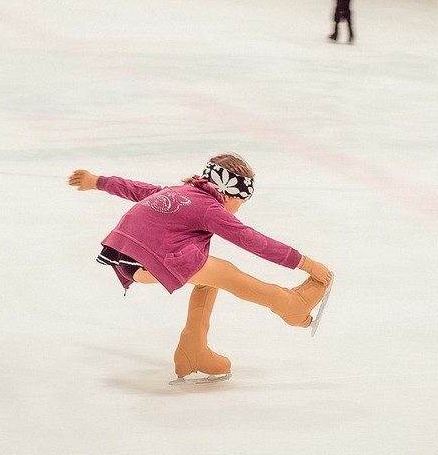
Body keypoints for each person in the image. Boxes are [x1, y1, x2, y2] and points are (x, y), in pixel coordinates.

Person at [67, 153, 333, 384]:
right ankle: (291, 305)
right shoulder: (209, 209)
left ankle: (193, 350)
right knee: (227, 273)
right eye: (241, 201)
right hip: (150, 258)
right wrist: (305, 262)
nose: (239, 209)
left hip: (128, 259)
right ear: (229, 192)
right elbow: (252, 241)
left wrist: (96, 181)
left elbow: (135, 189)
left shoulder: (177, 192)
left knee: (209, 278)